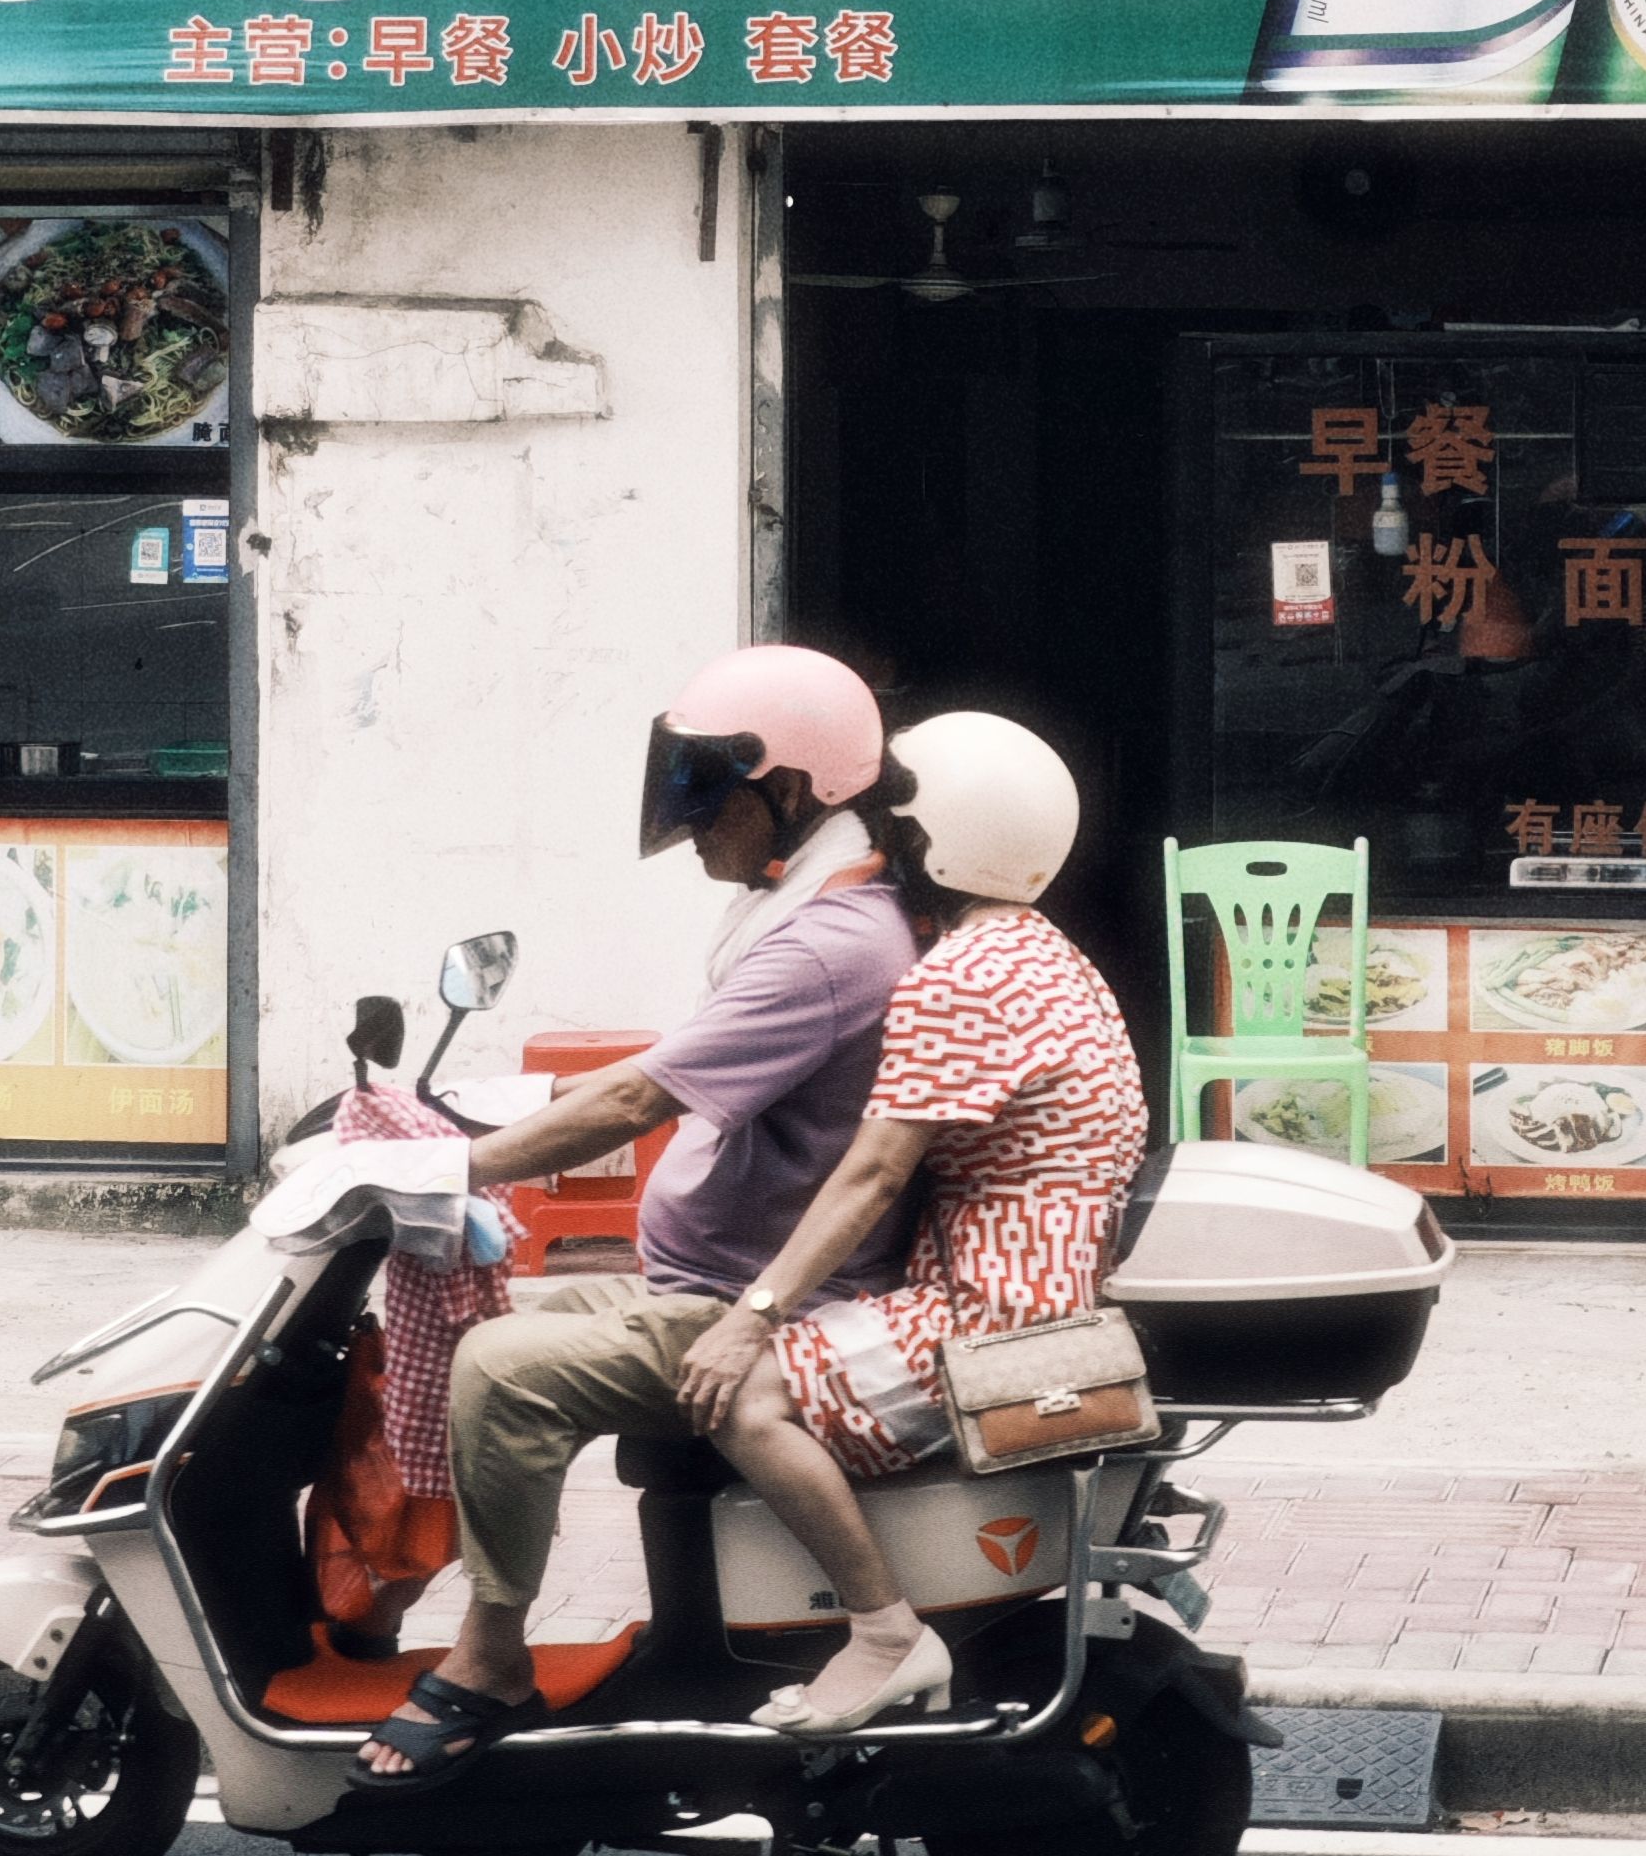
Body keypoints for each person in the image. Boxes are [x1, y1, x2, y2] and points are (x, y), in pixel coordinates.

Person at [348, 641, 920, 1789]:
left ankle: (492, 1657)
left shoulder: (826, 944)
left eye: (709, 787)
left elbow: (637, 1099)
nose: (691, 820)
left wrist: (446, 1168)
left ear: (792, 789)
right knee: (486, 1335)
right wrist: (497, 1115)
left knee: (502, 1370)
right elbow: (666, 1066)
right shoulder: (812, 910)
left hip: (758, 1302)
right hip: (697, 1281)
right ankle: (403, 1597)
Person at [671, 711, 1149, 1734]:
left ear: (940, 842)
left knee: (745, 1397)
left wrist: (754, 1314)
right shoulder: (1049, 955)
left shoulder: (956, 981)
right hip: (1048, 1288)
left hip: (993, 1316)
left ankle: (885, 1632)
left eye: (893, 828)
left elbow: (873, 1174)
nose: (877, 848)